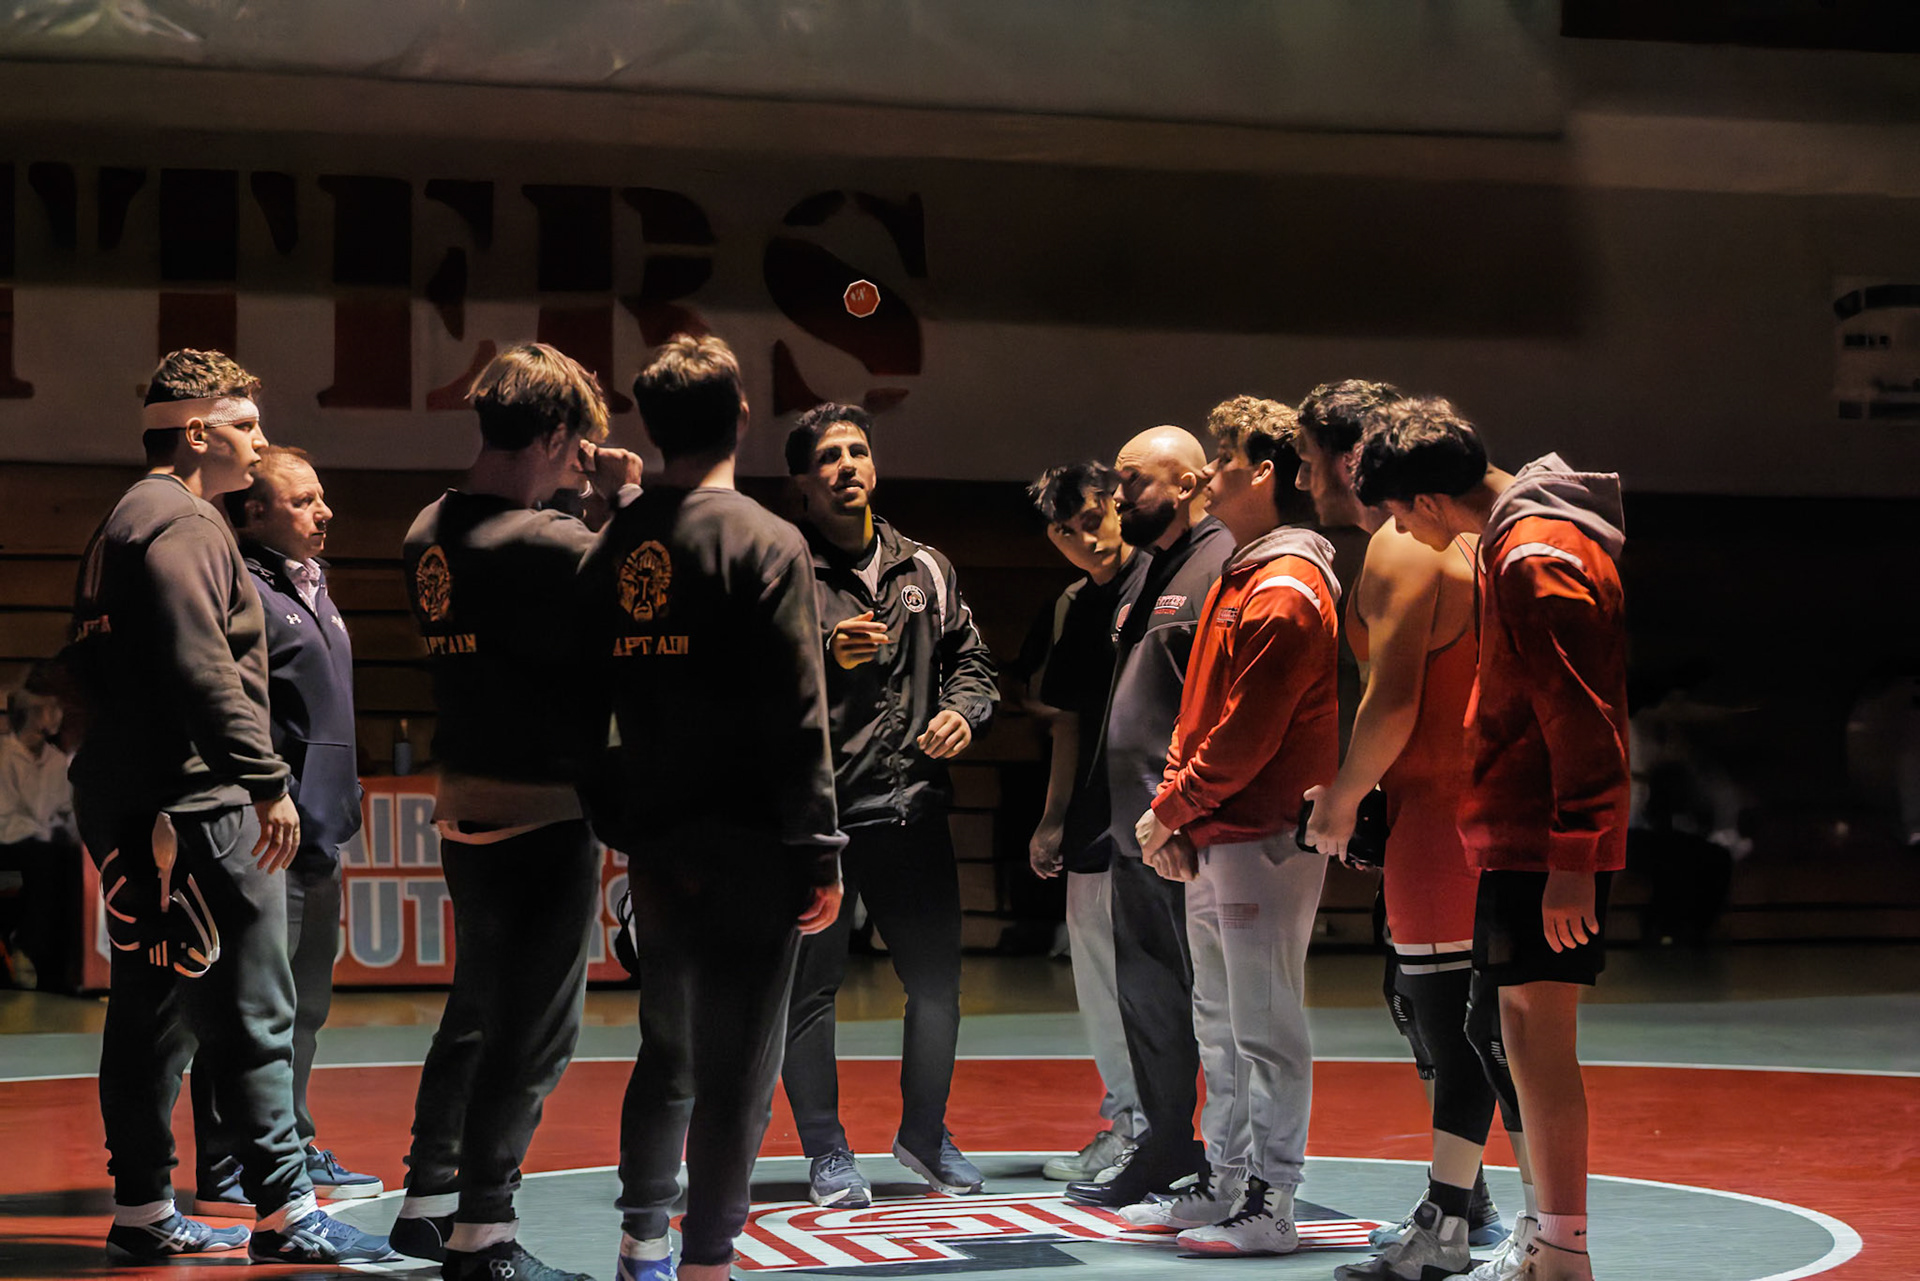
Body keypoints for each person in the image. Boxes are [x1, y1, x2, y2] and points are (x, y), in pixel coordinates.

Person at [62, 348, 394, 1265]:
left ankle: (142, 1207)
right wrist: (265, 780)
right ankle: (286, 1212)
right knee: (256, 1005)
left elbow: (88, 664)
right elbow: (203, 664)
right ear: (198, 431)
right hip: (195, 800)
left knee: (149, 1005)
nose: (258, 440)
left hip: (131, 795)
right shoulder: (187, 522)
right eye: (245, 424)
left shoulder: (119, 523)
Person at [578, 334, 845, 1281]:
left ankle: (641, 1240)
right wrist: (818, 848)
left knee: (667, 1046)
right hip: (753, 843)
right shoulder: (767, 540)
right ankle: (707, 1261)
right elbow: (799, 710)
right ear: (740, 414)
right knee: (739, 1066)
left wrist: (615, 813)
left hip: (657, 839)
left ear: (653, 426)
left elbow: (580, 700)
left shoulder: (612, 543)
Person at [1355, 399, 1629, 1281]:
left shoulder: (1533, 554)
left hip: (1545, 842)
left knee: (1535, 1041)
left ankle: (1563, 1252)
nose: (1402, 531)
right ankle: (1548, 1242)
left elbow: (1582, 716)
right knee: (1507, 1030)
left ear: (1431, 500)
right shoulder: (1518, 541)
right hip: (1522, 834)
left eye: (1400, 514)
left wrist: (1574, 858)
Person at [394, 343, 643, 1281]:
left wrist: (582, 509)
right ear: (555, 434)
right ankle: (484, 1235)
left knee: (477, 1006)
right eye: (579, 442)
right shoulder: (547, 543)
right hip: (543, 810)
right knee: (535, 1036)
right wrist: (623, 497)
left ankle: (427, 1199)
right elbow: (644, 585)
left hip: (464, 804)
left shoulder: (427, 530)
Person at [1291, 381, 1518, 1280]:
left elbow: (1393, 699)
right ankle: (1471, 1207)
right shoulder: (1448, 535)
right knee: (1457, 1015)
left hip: (1439, 814)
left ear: (1352, 458)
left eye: (1308, 460)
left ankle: (1469, 1219)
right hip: (1454, 802)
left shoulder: (1400, 544)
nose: (1303, 479)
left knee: (1457, 1024)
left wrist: (1343, 799)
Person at [1128, 398, 1339, 1256]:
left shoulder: (1289, 588)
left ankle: (1272, 1199)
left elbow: (1248, 734)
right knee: (1219, 1020)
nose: (1210, 472)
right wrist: (1177, 815)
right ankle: (1227, 1179)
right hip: (1218, 832)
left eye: (1224, 457)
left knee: (1264, 1023)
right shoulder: (1239, 573)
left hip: (1264, 834)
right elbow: (1196, 715)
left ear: (1265, 473)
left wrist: (1169, 809)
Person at [780, 403, 999, 1207]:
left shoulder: (926, 567)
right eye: (829, 456)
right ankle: (826, 1150)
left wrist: (963, 711)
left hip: (914, 813)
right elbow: (742, 686)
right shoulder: (782, 569)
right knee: (810, 992)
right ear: (803, 483)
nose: (848, 465)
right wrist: (819, 656)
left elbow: (972, 662)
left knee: (937, 985)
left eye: (858, 451)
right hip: (820, 823)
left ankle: (925, 1133)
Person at [183, 447, 378, 1214]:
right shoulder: (247, 590)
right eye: (302, 501)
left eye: (321, 497)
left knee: (304, 1008)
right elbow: (231, 710)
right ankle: (228, 1166)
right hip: (269, 832)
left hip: (320, 833)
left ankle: (288, 1143)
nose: (323, 512)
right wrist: (274, 793)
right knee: (247, 1007)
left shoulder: (312, 585)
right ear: (255, 511)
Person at [1063, 424, 1233, 1210]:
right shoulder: (1145, 571)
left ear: (1191, 482)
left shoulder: (1223, 560)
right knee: (1149, 997)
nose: (1119, 494)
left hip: (1192, 829)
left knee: (1216, 1007)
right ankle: (1166, 1140)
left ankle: (1236, 1164)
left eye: (1135, 479)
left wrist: (1185, 810)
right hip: (1134, 827)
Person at [1023, 461, 1151, 1183]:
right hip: (1095, 821)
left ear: (1117, 504)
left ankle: (1213, 1147)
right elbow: (1067, 720)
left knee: (1185, 991)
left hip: (1165, 816)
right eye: (1069, 531)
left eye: (1095, 518)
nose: (1088, 539)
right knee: (1100, 984)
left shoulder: (1165, 581)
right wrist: (1053, 818)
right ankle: (1130, 1124)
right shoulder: (1074, 605)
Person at [0, 684, 80, 991]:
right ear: (31, 715)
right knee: (43, 860)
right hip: (9, 841)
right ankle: (28, 946)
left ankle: (62, 964)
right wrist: (45, 832)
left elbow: (65, 809)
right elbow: (6, 815)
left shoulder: (56, 760)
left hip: (42, 842)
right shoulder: (4, 756)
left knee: (70, 861)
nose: (57, 714)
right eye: (48, 709)